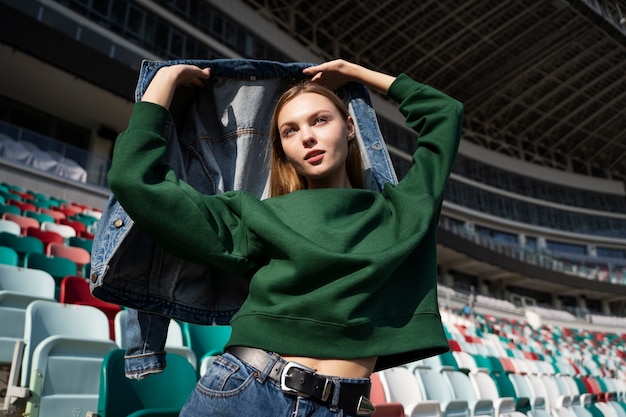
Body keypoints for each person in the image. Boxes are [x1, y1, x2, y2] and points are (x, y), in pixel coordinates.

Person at [107, 59, 463, 417]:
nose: (307, 136)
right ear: (283, 150)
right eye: (289, 131)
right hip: (246, 391)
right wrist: (163, 81)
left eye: (320, 120)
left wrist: (357, 75)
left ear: (351, 126)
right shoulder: (258, 216)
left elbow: (443, 113)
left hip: (343, 406)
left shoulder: (404, 211)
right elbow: (134, 180)